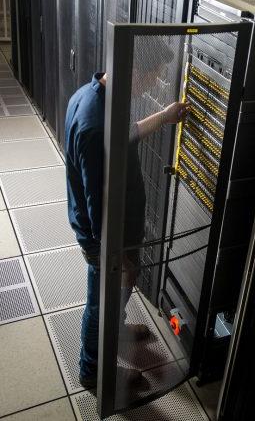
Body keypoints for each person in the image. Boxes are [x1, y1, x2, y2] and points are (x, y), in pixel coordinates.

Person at [65, 49, 188, 389]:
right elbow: (97, 206)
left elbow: (124, 136)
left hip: (119, 230)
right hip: (105, 236)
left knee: (118, 288)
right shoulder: (94, 124)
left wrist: (164, 116)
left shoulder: (95, 96)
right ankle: (92, 371)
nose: (153, 84)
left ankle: (115, 331)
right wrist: (116, 256)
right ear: (134, 71)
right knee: (101, 301)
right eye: (152, 77)